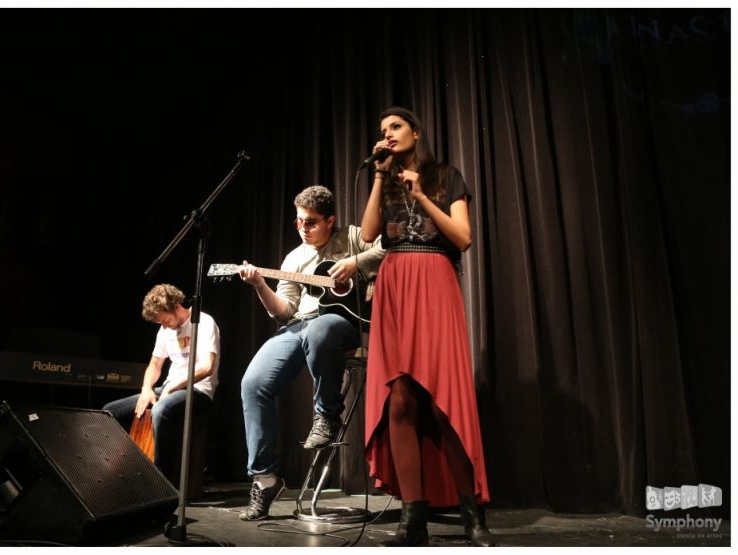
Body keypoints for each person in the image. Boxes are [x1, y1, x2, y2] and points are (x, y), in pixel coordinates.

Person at [360, 107, 494, 547]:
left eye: (395, 127)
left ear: (416, 132)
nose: (389, 134)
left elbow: (463, 237)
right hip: (395, 285)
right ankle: (412, 517)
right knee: (398, 402)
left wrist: (420, 197)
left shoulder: (445, 176)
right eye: (383, 131)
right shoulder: (385, 178)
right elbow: (367, 234)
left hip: (434, 281)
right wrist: (380, 177)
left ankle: (472, 512)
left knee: (444, 402)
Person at [237, 185, 385, 521]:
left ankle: (326, 416)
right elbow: (283, 311)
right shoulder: (294, 257)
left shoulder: (354, 236)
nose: (303, 228)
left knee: (321, 329)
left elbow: (388, 250)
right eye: (299, 222)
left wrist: (353, 262)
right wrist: (259, 284)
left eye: (312, 222)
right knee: (252, 383)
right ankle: (265, 479)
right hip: (298, 326)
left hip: (344, 324)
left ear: (331, 220)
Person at [103, 283, 220, 484]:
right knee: (110, 411)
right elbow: (155, 365)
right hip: (168, 388)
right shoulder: (164, 331)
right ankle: (122, 470)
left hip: (198, 389)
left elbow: (207, 367)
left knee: (160, 410)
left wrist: (172, 388)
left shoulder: (203, 322)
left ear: (175, 307)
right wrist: (146, 389)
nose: (164, 326)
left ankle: (160, 479)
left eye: (165, 320)